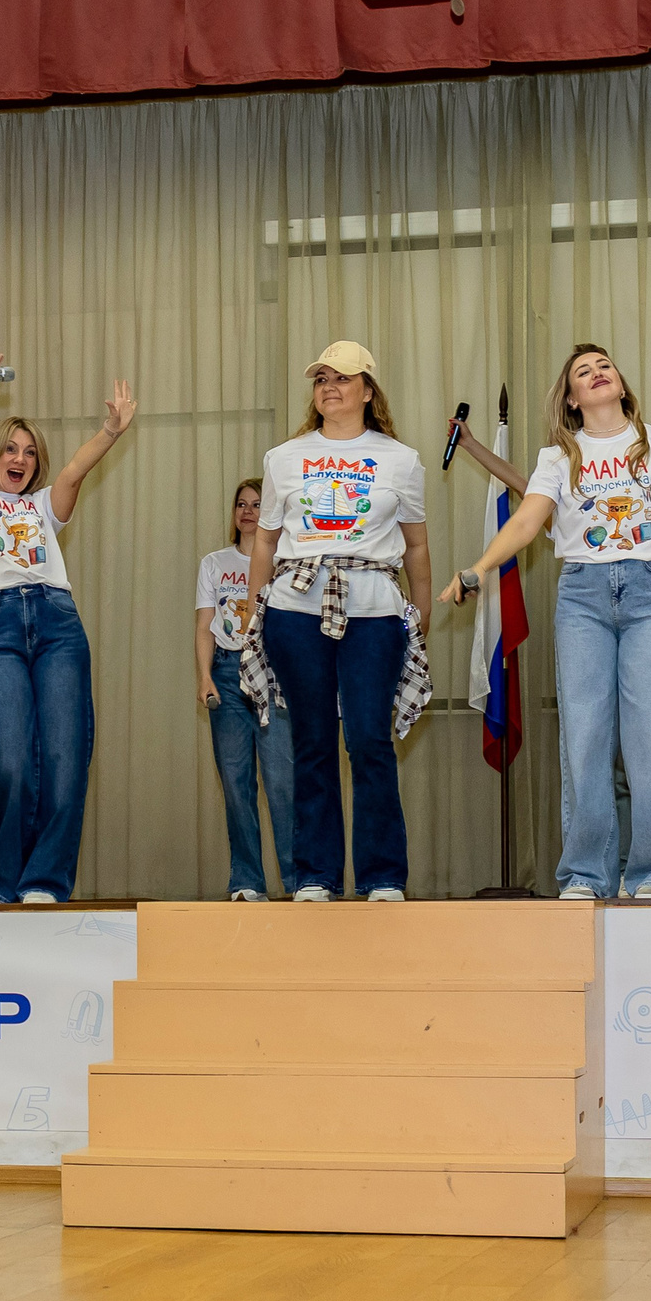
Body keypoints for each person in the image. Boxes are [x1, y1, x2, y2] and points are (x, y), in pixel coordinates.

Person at [442, 347, 651, 899]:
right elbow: (530, 520)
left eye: (604, 365)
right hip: (582, 594)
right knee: (584, 737)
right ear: (572, 400)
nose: (597, 372)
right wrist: (477, 569)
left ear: (621, 385)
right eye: (583, 372)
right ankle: (588, 874)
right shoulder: (558, 456)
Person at [243, 342, 433, 903]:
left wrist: (419, 619)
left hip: (375, 608)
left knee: (370, 740)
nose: (330, 386)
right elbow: (265, 542)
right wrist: (256, 613)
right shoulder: (283, 457)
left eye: (344, 378)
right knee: (313, 742)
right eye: (322, 378)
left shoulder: (401, 459)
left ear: (368, 391)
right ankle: (315, 876)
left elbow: (417, 547)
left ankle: (381, 877)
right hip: (295, 607)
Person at [0, 345, 135, 905]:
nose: (19, 457)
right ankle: (1, 878)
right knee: (6, 758)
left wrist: (110, 431)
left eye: (29, 452)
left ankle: (45, 881)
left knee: (64, 755)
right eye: (9, 447)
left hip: (57, 623)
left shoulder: (44, 508)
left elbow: (76, 470)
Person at [197, 479, 294, 901]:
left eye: (257, 504)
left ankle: (299, 882)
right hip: (225, 674)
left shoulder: (283, 559)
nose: (248, 511)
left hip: (272, 675)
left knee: (282, 781)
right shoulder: (213, 563)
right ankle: (246, 881)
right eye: (241, 504)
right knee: (236, 784)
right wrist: (203, 677)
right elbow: (203, 626)